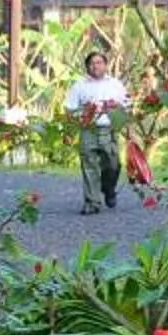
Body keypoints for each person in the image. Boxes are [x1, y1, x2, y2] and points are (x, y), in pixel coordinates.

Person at [64, 49, 130, 213]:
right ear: (87, 66)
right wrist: (79, 118)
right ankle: (92, 203)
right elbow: (70, 110)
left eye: (99, 62)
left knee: (113, 164)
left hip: (109, 130)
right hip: (88, 130)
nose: (95, 66)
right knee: (89, 165)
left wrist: (128, 129)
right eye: (92, 63)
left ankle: (108, 189)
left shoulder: (115, 85)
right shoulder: (79, 86)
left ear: (106, 65)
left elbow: (127, 106)